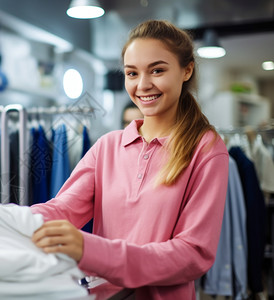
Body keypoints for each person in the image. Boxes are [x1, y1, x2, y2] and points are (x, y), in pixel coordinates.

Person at [31, 19, 229, 299]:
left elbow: (193, 254)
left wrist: (91, 250)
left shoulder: (205, 149)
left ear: (186, 70)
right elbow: (62, 209)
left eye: (157, 70)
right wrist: (6, 219)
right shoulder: (107, 146)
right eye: (132, 73)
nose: (143, 85)